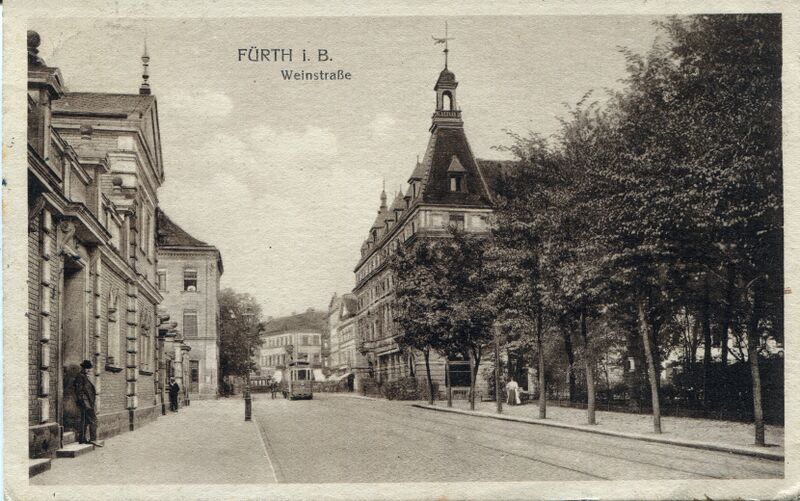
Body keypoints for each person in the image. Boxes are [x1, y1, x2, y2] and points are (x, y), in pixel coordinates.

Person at [73, 360, 102, 446]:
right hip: (86, 403)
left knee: (85, 421)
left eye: (89, 368)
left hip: (88, 402)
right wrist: (85, 403)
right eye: (87, 368)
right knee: (94, 420)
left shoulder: (84, 376)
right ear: (83, 368)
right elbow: (79, 392)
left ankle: (82, 439)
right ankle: (93, 439)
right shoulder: (80, 376)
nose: (88, 370)